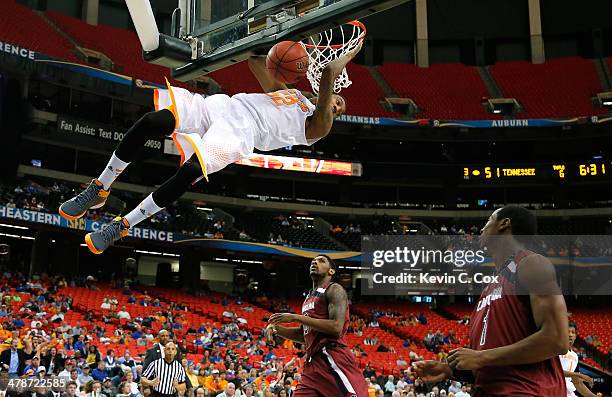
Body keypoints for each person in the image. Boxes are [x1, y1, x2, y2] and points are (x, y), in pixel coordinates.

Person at [58, 41, 362, 254]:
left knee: (190, 169)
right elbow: (257, 61)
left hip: (240, 134)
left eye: (340, 105)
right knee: (153, 121)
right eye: (338, 100)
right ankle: (100, 187)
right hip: (222, 106)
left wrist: (346, 54)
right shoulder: (293, 95)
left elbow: (326, 83)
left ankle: (122, 224)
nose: (337, 104)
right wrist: (270, 41)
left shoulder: (319, 125)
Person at [414, 206, 568, 396]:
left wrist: (481, 357)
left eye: (489, 220)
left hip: (527, 391)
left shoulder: (531, 263)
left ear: (505, 223)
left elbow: (556, 340)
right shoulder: (490, 286)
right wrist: (449, 370)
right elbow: (491, 364)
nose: (482, 228)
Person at [267, 254, 369, 397]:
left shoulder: (334, 289)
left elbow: (336, 327)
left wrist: (296, 317)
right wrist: (276, 329)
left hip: (332, 357)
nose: (315, 263)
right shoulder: (309, 298)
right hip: (312, 364)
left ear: (331, 271)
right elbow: (304, 335)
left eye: (321, 261)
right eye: (313, 261)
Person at [560, 324, 597, 397]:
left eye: (573, 332)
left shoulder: (575, 356)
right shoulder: (556, 350)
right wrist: (579, 375)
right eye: (567, 332)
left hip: (568, 391)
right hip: (555, 389)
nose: (570, 335)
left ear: (575, 336)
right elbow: (556, 372)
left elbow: (577, 383)